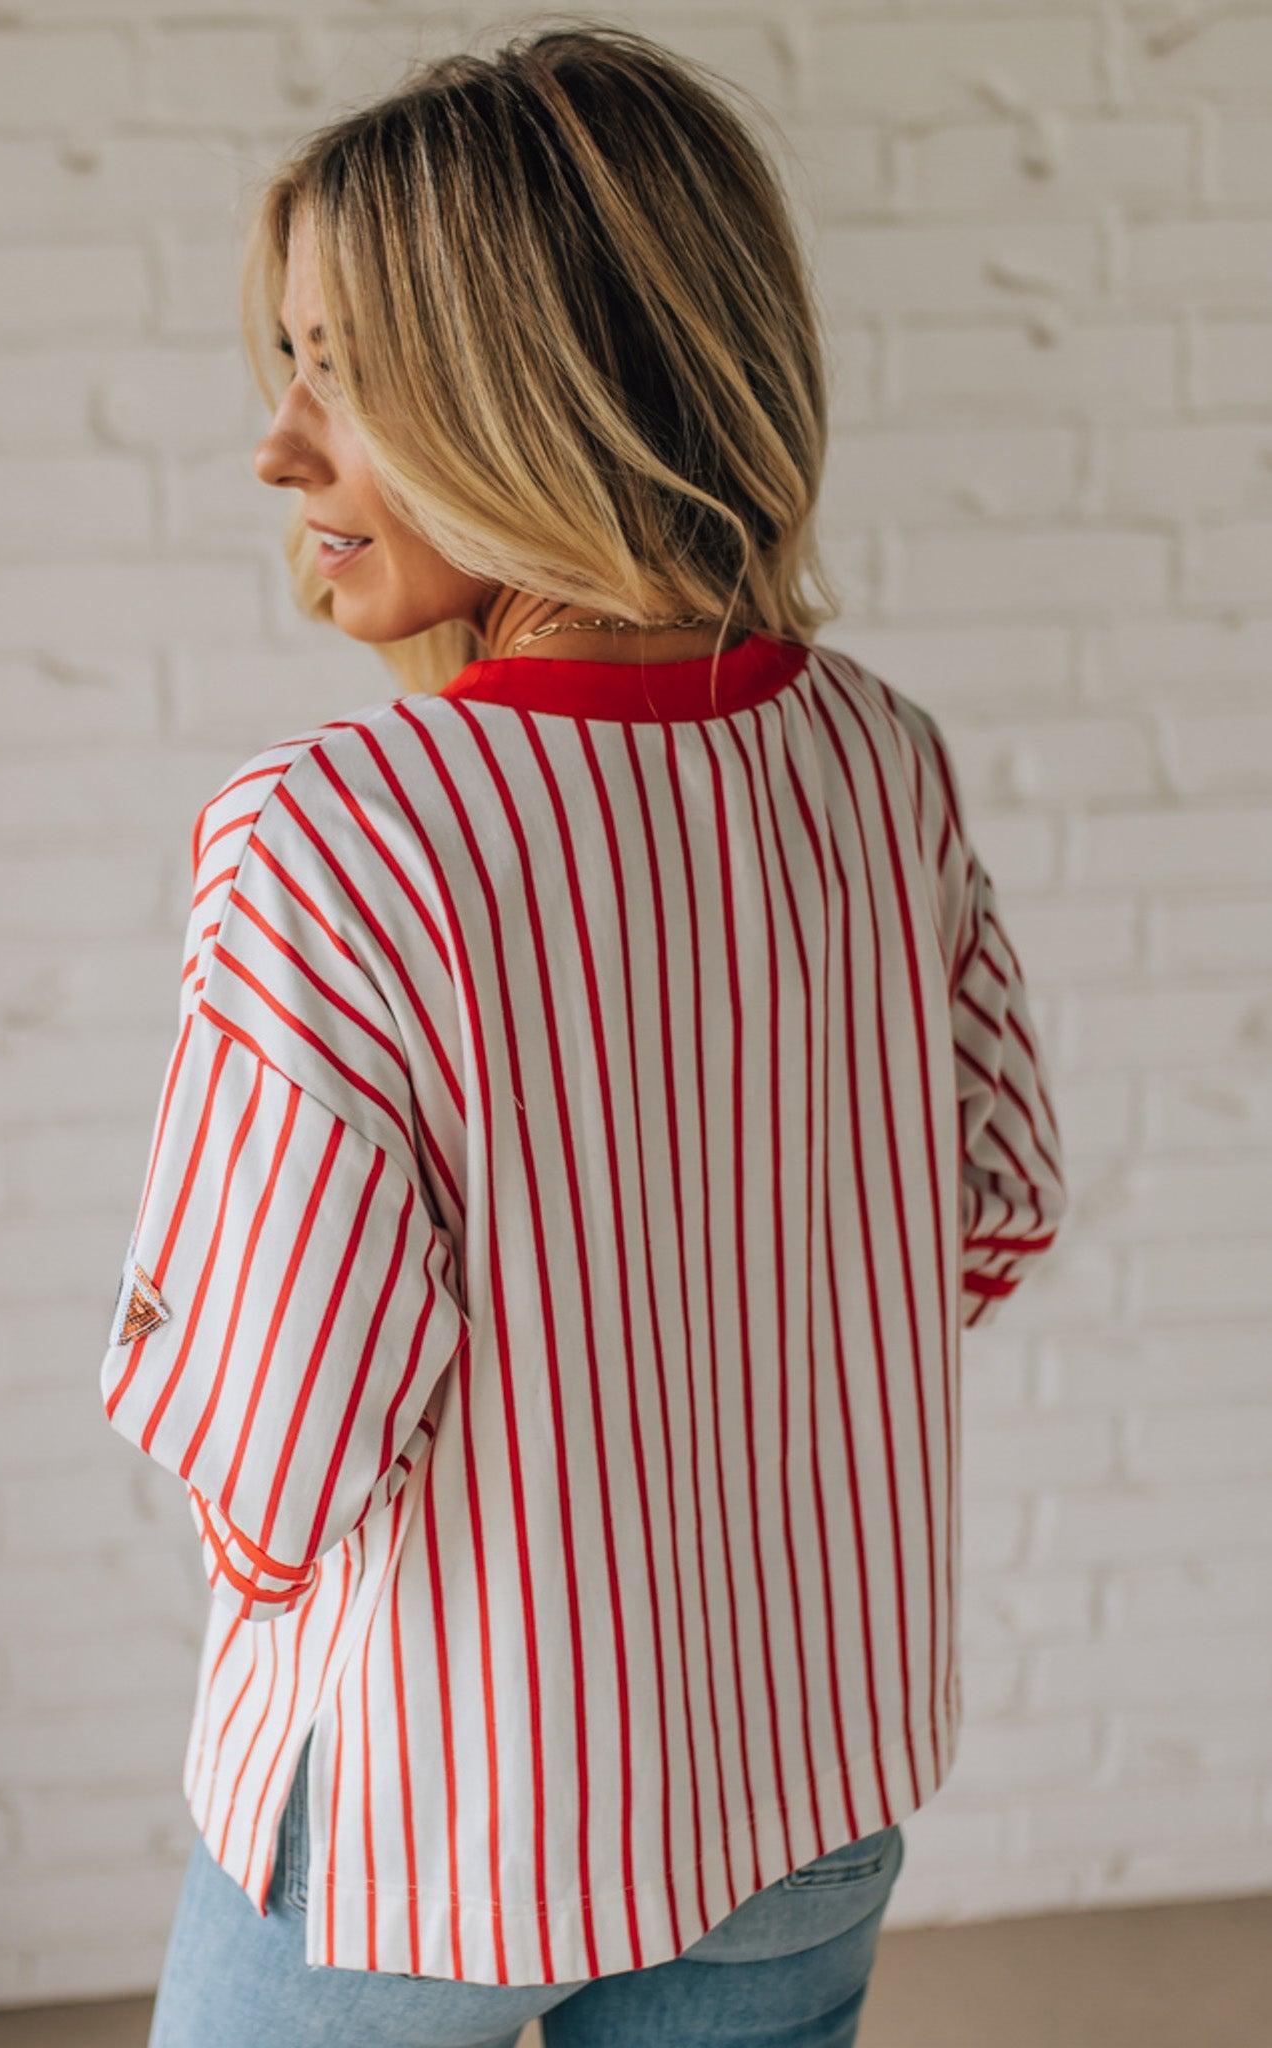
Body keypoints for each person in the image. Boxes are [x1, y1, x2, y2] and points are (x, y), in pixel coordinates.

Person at [98, 21, 1068, 2048]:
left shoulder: (332, 841)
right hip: (801, 1758)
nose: (280, 448)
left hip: (430, 1812)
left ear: (542, 396)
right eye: (287, 366)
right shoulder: (874, 763)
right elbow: (987, 1218)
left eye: (343, 375)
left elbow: (276, 1463)